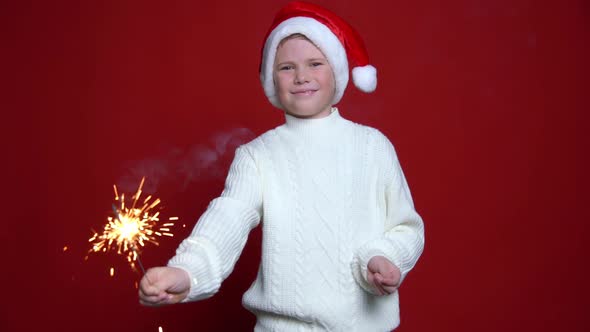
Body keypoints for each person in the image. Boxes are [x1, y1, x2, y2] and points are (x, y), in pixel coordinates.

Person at [139, 2, 425, 331]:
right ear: (271, 79)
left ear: (337, 71)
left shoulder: (373, 147)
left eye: (315, 63)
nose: (301, 76)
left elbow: (406, 228)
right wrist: (187, 272)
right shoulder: (258, 155)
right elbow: (227, 218)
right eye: (287, 67)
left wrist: (384, 257)